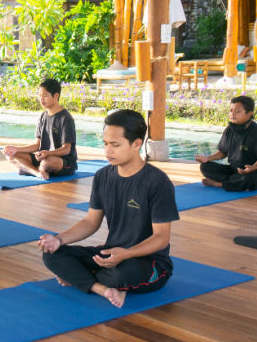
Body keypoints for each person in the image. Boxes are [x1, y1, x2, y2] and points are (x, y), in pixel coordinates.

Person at [39, 109, 178, 308]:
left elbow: (161, 238)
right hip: (111, 254)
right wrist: (59, 239)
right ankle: (102, 288)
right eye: (105, 144)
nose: (108, 151)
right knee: (52, 253)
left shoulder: (157, 182)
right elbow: (90, 222)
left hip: (146, 262)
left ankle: (84, 278)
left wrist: (127, 254)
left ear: (136, 144)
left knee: (122, 273)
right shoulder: (103, 176)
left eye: (115, 145)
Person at [4, 78, 77, 179]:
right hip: (42, 156)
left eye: (45, 96)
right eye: (39, 96)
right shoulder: (43, 116)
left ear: (56, 96)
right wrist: (16, 149)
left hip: (62, 161)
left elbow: (66, 149)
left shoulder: (65, 118)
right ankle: (38, 173)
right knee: (11, 156)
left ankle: (28, 168)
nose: (41, 99)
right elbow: (37, 145)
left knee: (46, 163)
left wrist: (48, 153)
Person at [195, 95, 257, 191]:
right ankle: (233, 182)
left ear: (249, 114)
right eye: (231, 110)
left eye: (237, 111)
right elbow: (222, 152)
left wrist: (252, 168)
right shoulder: (229, 130)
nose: (233, 114)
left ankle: (220, 184)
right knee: (205, 167)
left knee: (249, 179)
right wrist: (207, 158)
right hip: (233, 170)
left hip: (254, 172)